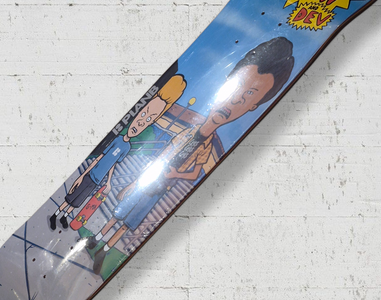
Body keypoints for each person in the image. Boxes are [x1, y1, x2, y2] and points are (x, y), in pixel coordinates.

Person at [89, 37, 294, 270]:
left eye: (250, 95)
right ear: (229, 80)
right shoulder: (187, 132)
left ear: (253, 107)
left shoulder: (208, 146)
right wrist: (135, 182)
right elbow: (164, 155)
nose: (237, 98)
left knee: (129, 222)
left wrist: (176, 174)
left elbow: (196, 172)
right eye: (239, 86)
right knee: (119, 213)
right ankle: (96, 238)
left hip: (160, 189)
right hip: (149, 182)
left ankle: (104, 252)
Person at [48, 75, 187, 230]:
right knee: (72, 196)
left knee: (79, 200)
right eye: (143, 114)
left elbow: (112, 164)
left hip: (98, 180)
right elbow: (100, 157)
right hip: (90, 174)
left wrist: (108, 182)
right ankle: (56, 214)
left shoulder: (127, 147)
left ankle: (65, 216)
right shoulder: (117, 139)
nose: (142, 122)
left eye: (149, 120)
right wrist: (82, 175)